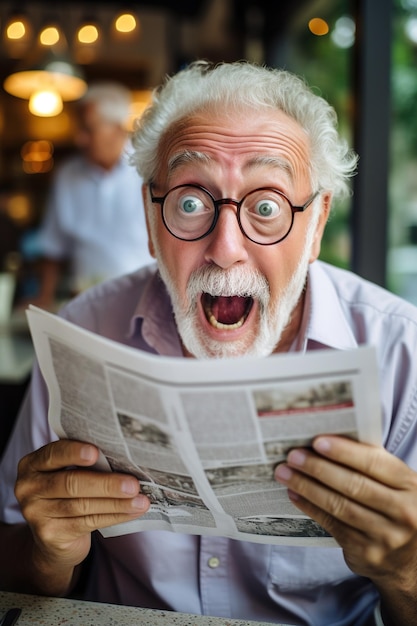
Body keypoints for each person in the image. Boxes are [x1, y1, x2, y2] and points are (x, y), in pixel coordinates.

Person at [0, 60, 416, 626]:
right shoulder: (81, 332)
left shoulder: (403, 356)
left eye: (265, 208)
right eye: (190, 203)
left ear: (316, 224)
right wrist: (49, 552)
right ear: (151, 219)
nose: (225, 249)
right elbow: (11, 567)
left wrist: (405, 568)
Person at [28, 81, 153, 308]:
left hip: (145, 300)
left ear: (117, 128)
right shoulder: (67, 175)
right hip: (84, 302)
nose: (80, 139)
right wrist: (44, 297)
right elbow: (53, 245)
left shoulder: (150, 170)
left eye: (88, 129)